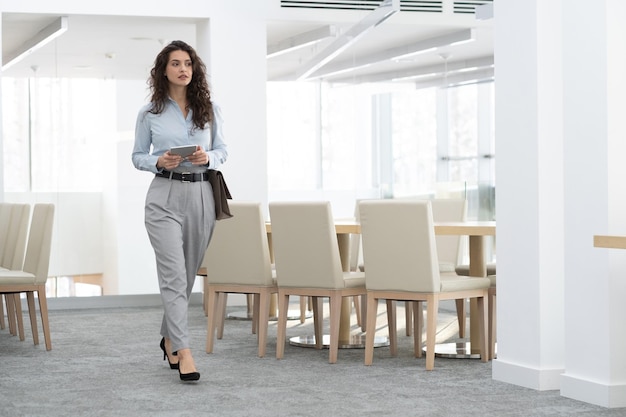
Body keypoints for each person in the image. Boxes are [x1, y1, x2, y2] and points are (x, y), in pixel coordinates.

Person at [132, 40, 228, 382]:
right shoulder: (149, 113)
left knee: (186, 275)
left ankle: (169, 338)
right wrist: (157, 160)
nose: (183, 68)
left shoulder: (210, 109)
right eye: (175, 63)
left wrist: (209, 158)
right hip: (164, 196)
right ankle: (185, 351)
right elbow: (137, 156)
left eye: (187, 62)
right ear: (164, 70)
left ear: (194, 69)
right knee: (173, 275)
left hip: (201, 192)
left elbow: (223, 150)